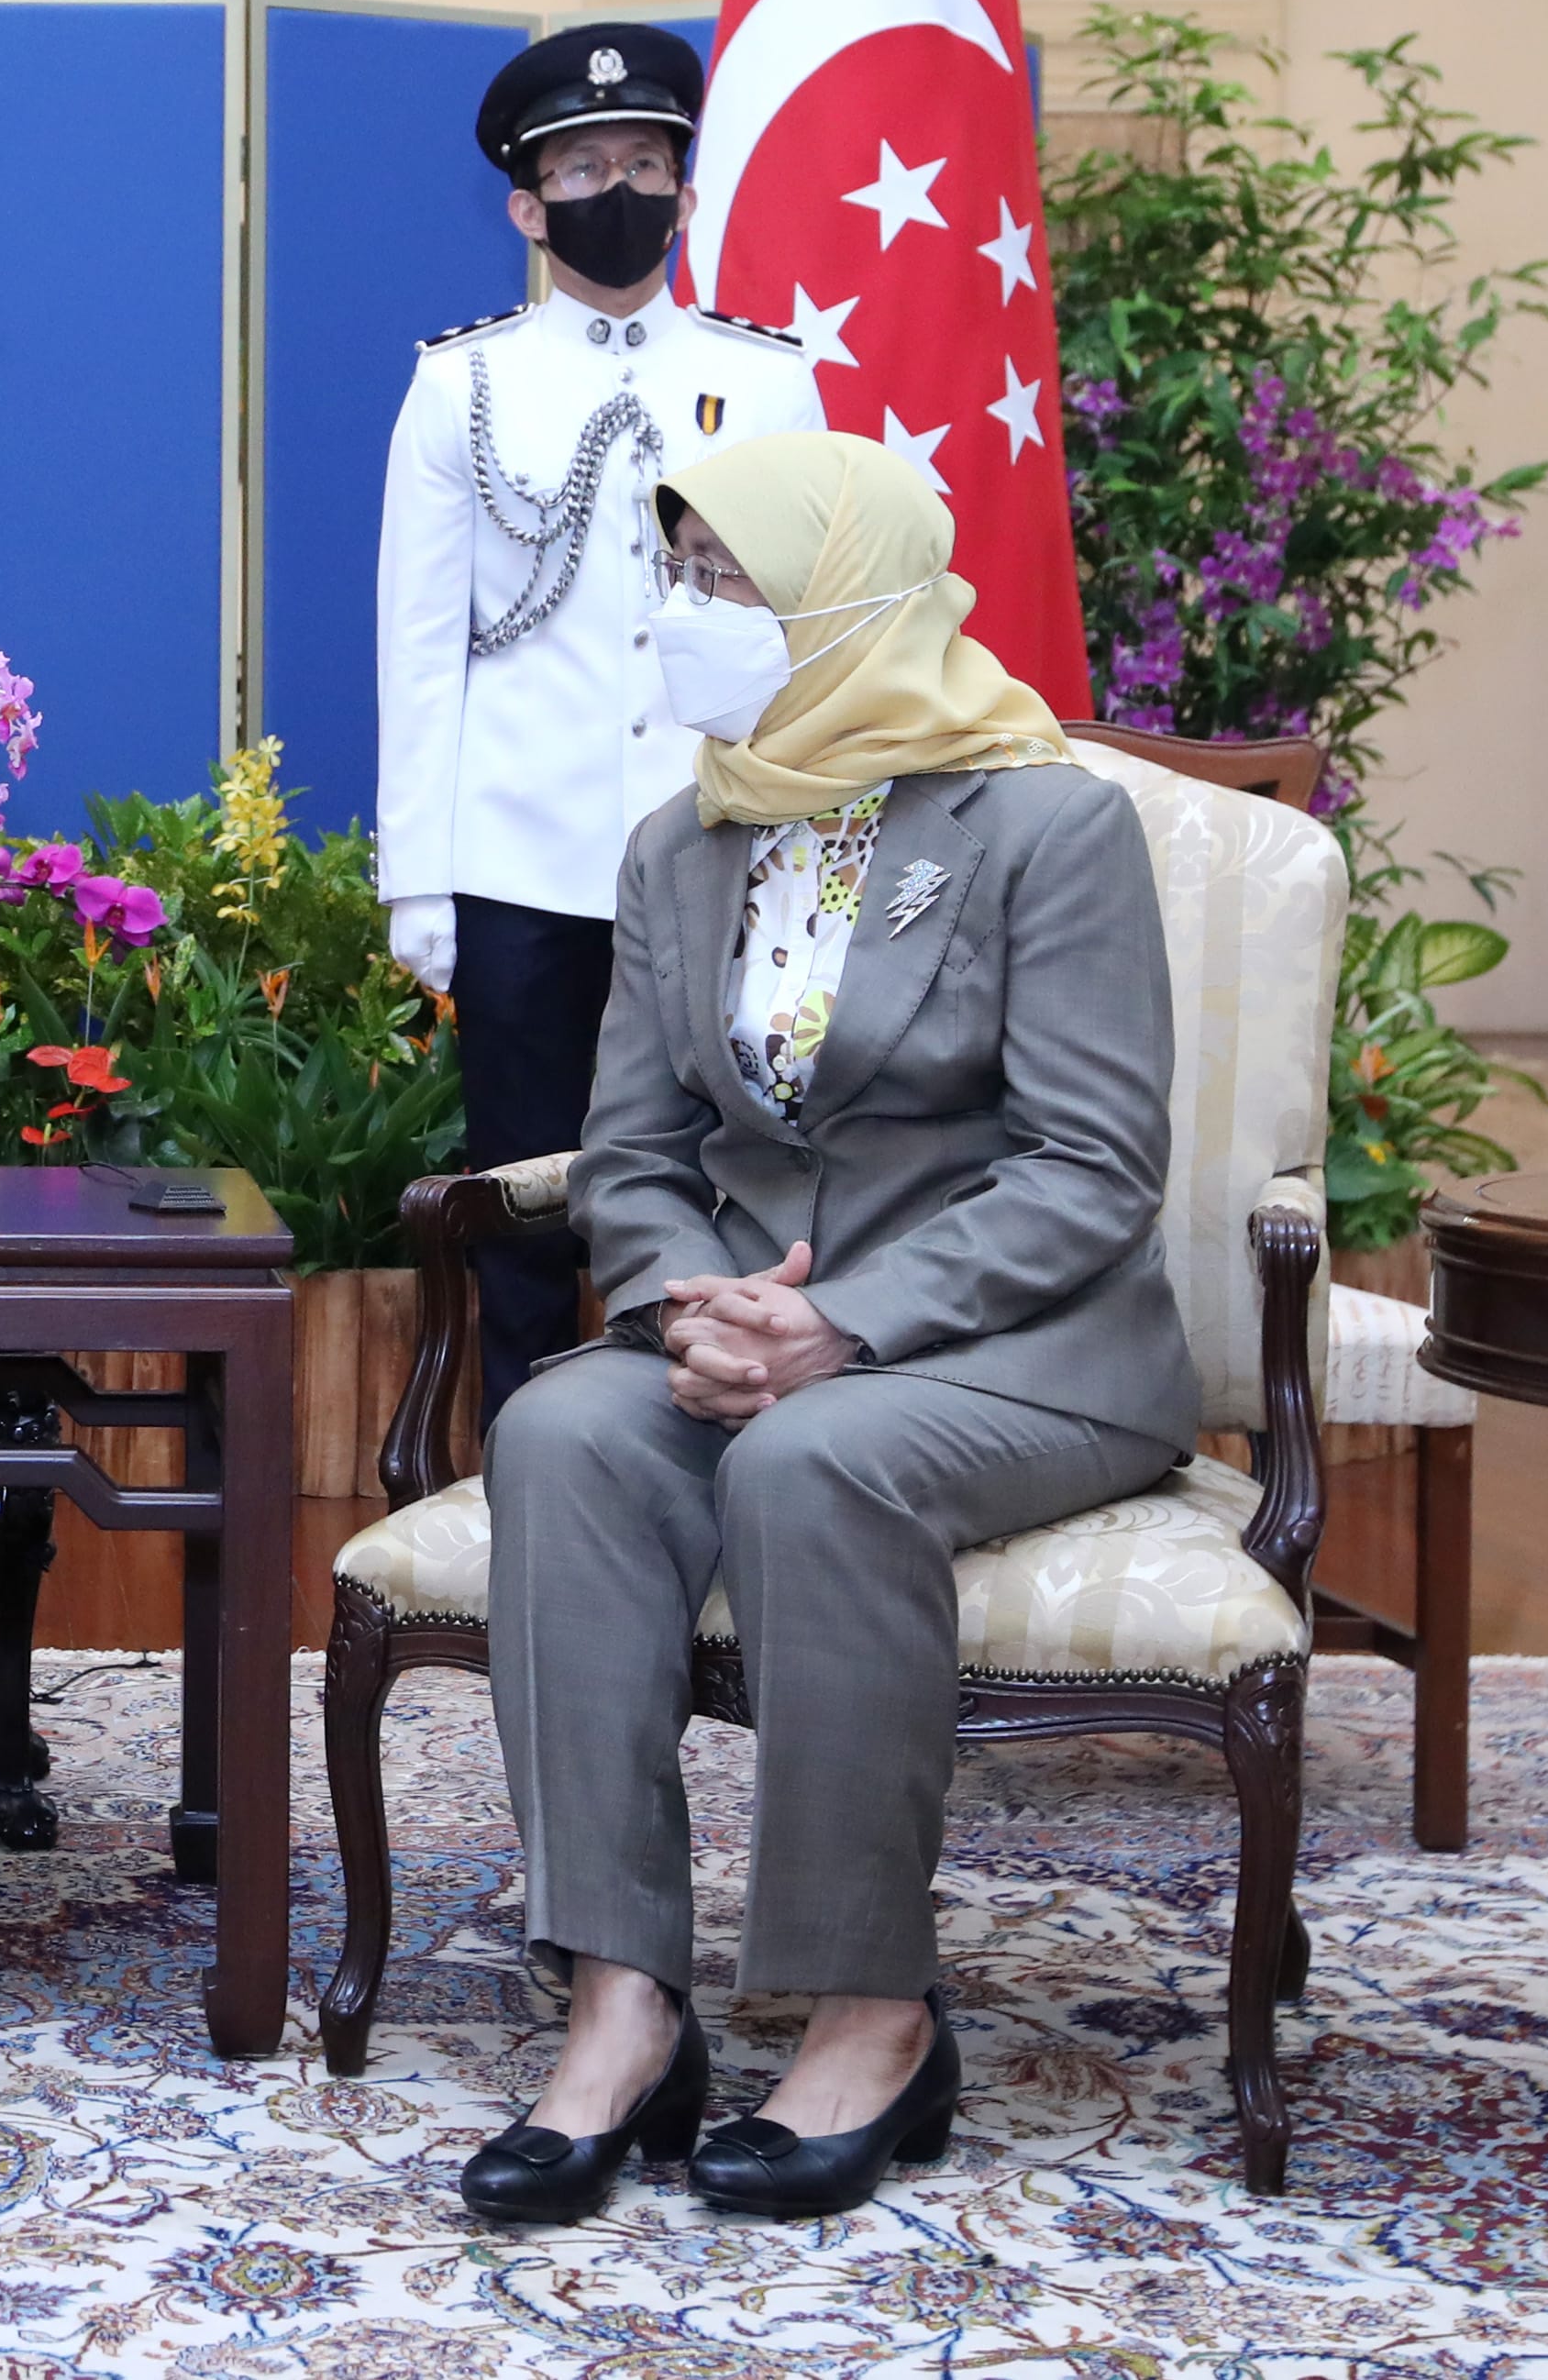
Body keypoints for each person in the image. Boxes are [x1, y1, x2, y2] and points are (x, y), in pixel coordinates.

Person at [456, 428, 1191, 2229]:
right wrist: (685, 1302)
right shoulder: (681, 838)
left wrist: (836, 1328)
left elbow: (1092, 1165)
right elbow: (626, 1151)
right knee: (556, 1431)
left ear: (843, 597)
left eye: (728, 579)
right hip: (742, 1330)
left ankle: (871, 2007)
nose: (690, 615)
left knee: (808, 1462)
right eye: (682, 575)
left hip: (1022, 1344)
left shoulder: (1043, 820)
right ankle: (621, 2001)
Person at [377, 22, 826, 1418]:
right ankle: (528, 1460)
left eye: (642, 162)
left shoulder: (767, 376)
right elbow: (416, 642)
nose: (613, 190)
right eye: (579, 169)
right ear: (526, 205)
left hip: (725, 840)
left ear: (685, 193)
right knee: (524, 1183)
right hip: (522, 855)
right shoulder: (464, 380)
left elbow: (809, 619)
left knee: (725, 1172)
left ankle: (712, 1436)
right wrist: (419, 874)